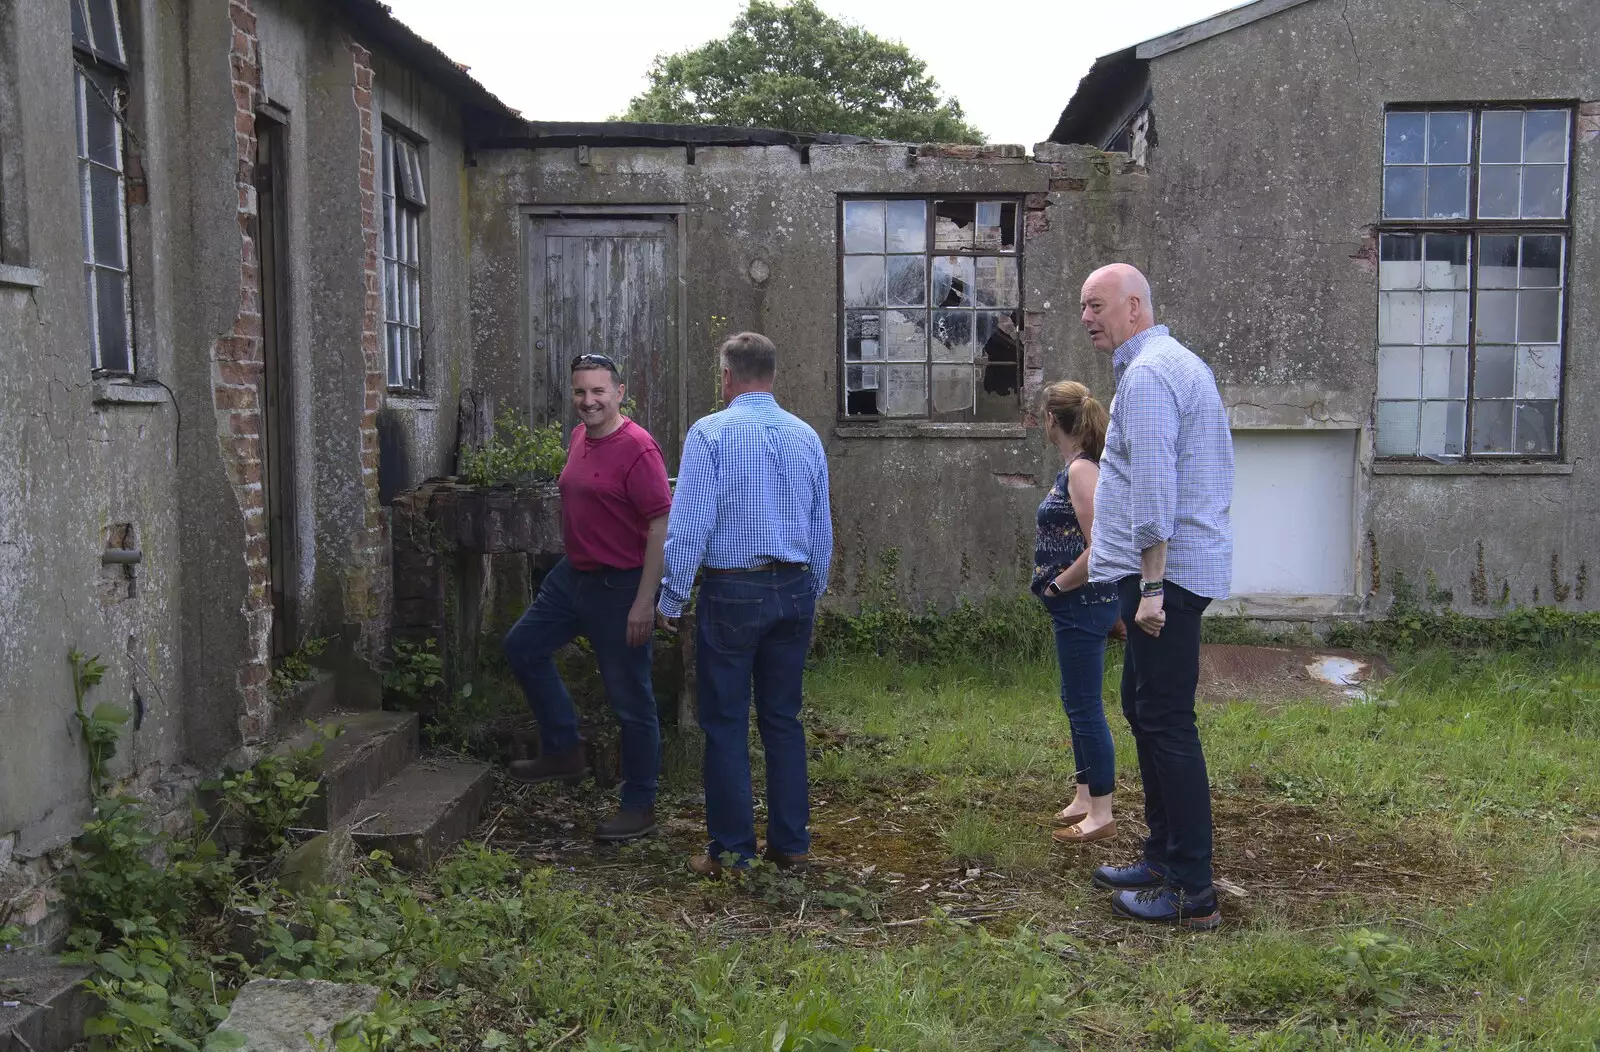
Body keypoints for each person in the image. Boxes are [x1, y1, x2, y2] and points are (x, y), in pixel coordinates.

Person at [1081, 263, 1234, 930]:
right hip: (1162, 575)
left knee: (1167, 722)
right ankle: (1162, 859)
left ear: (1134, 306)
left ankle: (1191, 890)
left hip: (1162, 580)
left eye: (1097, 305)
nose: (1087, 317)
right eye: (1082, 307)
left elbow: (1154, 491)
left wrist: (1148, 587)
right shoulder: (1162, 366)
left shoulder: (1148, 376)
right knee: (1145, 710)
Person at [655, 332, 833, 878]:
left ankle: (733, 852)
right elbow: (821, 524)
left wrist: (673, 593)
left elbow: (689, 522)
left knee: (727, 722)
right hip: (794, 586)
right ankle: (792, 844)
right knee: (783, 719)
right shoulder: (805, 437)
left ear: (727, 377)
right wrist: (812, 587)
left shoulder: (710, 434)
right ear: (772, 376)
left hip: (733, 589)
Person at [501, 353, 673, 843]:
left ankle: (639, 805)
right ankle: (564, 749)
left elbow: (661, 525)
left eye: (599, 391)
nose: (588, 401)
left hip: (620, 586)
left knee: (631, 701)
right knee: (522, 647)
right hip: (572, 575)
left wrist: (645, 602)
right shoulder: (579, 436)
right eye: (580, 392)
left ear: (620, 393)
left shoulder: (639, 450)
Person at [1032, 381, 1122, 846]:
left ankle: (1102, 813)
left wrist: (1057, 584)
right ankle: (1085, 797)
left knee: (1086, 707)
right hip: (1076, 605)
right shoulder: (1076, 467)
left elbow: (1100, 547)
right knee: (1075, 702)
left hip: (1082, 602)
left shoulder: (1082, 471)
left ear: (1053, 420)